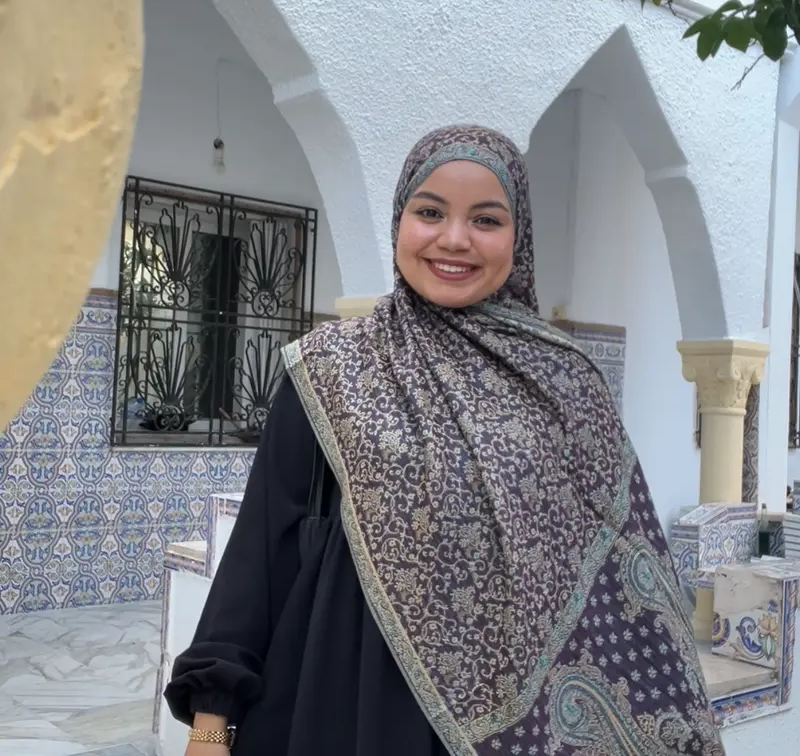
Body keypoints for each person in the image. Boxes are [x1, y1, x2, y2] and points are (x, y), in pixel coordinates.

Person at [165, 125, 724, 755]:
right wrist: (211, 725)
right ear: (399, 221)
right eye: (430, 212)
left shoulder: (566, 384)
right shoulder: (331, 369)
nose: (454, 239)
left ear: (519, 237)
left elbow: (621, 584)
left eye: (486, 219)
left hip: (518, 734)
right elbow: (262, 553)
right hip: (339, 705)